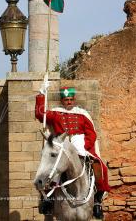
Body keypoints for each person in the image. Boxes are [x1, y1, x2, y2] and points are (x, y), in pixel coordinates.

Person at [35, 86, 110, 218]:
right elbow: (41, 115)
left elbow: (91, 133)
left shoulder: (82, 114)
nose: (68, 102)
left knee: (100, 167)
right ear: (62, 100)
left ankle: (97, 201)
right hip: (63, 146)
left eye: (71, 99)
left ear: (74, 99)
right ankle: (48, 200)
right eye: (66, 100)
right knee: (52, 170)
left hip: (80, 145)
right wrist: (41, 96)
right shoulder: (55, 113)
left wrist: (86, 146)